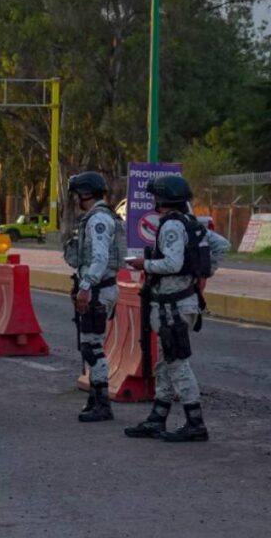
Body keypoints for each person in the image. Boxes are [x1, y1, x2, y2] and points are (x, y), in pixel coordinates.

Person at [124, 175, 229, 442]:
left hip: (173, 307)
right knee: (165, 363)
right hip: (179, 304)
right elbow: (222, 246)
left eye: (155, 197)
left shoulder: (171, 225)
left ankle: (195, 423)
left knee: (178, 364)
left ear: (162, 199)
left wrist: (144, 264)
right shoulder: (190, 223)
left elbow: (172, 263)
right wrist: (201, 272)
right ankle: (157, 418)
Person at [62, 172, 125, 422]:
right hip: (99, 289)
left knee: (93, 348)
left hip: (98, 291)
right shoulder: (99, 216)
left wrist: (86, 287)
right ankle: (96, 398)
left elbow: (99, 259)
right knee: (91, 345)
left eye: (77, 194)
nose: (75, 199)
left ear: (86, 194)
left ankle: (102, 403)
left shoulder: (98, 219)